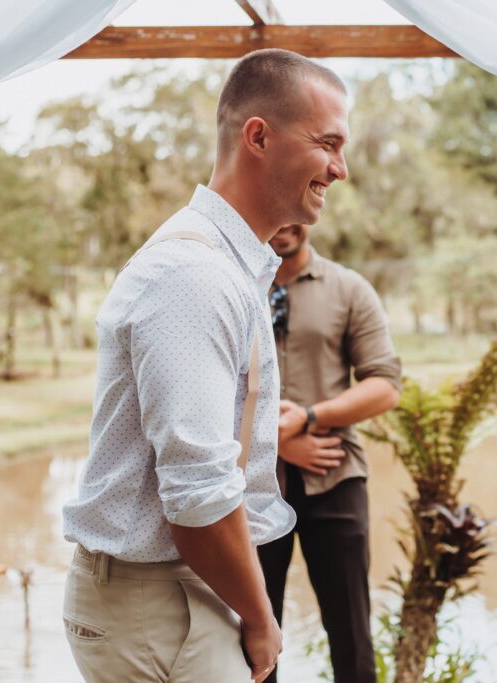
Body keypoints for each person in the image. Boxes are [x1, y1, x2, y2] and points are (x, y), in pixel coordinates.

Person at [61, 49, 349, 683]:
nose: (341, 168)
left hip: (178, 594)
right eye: (328, 143)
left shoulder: (223, 263)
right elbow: (195, 498)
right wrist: (261, 618)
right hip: (157, 601)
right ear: (258, 137)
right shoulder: (195, 276)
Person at [259, 223, 400, 683]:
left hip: (335, 480)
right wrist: (276, 439)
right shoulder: (235, 286)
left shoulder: (349, 288)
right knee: (251, 636)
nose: (284, 225)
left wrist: (308, 417)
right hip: (250, 487)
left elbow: (384, 386)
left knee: (352, 636)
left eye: (292, 213)